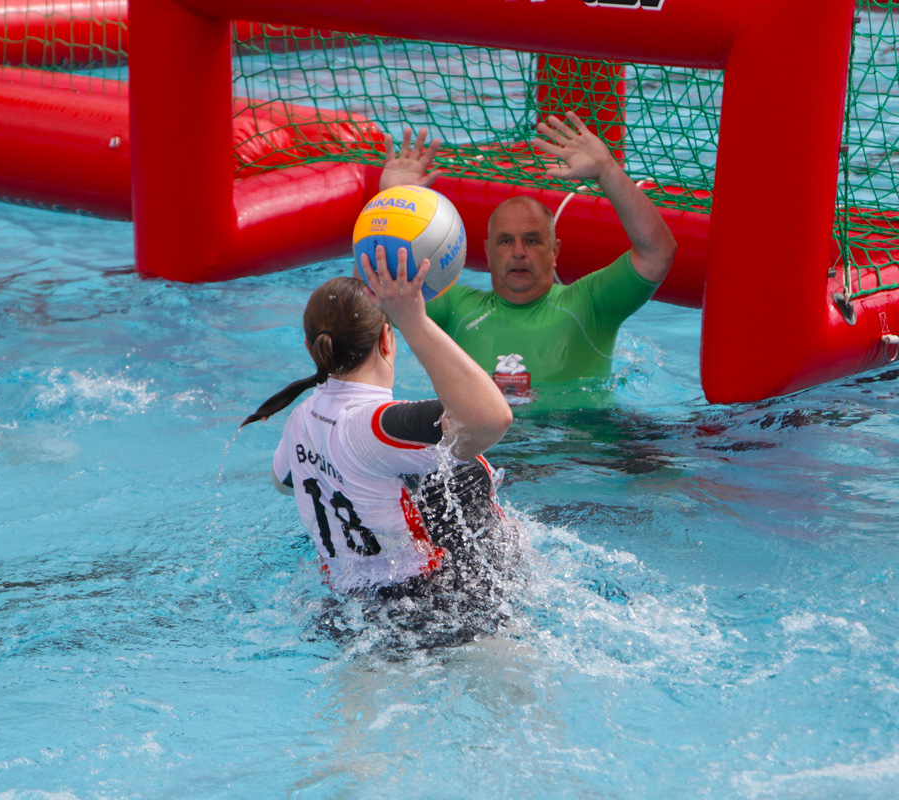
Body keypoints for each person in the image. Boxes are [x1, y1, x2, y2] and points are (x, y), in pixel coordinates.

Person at [241, 246, 513, 596]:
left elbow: (283, 482)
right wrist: (415, 321)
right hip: (426, 608)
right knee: (462, 473)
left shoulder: (300, 419)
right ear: (387, 339)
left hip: (346, 606)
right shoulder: (376, 427)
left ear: (311, 348)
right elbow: (491, 419)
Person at [379, 113, 678, 385]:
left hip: (581, 428)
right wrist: (390, 202)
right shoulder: (454, 308)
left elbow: (658, 252)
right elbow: (369, 302)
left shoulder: (591, 304)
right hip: (478, 431)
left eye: (532, 240)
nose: (519, 252)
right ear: (488, 252)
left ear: (554, 251)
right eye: (506, 241)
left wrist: (607, 171)